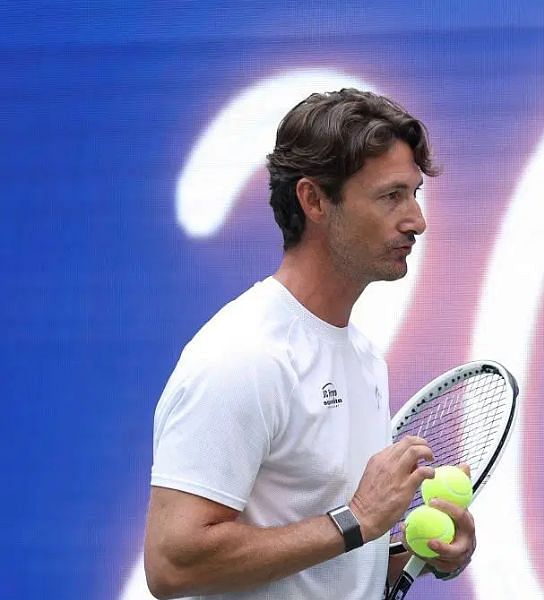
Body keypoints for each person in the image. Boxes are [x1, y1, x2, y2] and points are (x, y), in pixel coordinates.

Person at [144, 89, 475, 599]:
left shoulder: (364, 359)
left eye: (416, 194)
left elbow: (330, 568)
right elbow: (172, 564)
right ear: (314, 200)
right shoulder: (243, 356)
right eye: (391, 196)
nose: (416, 220)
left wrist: (421, 553)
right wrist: (360, 517)